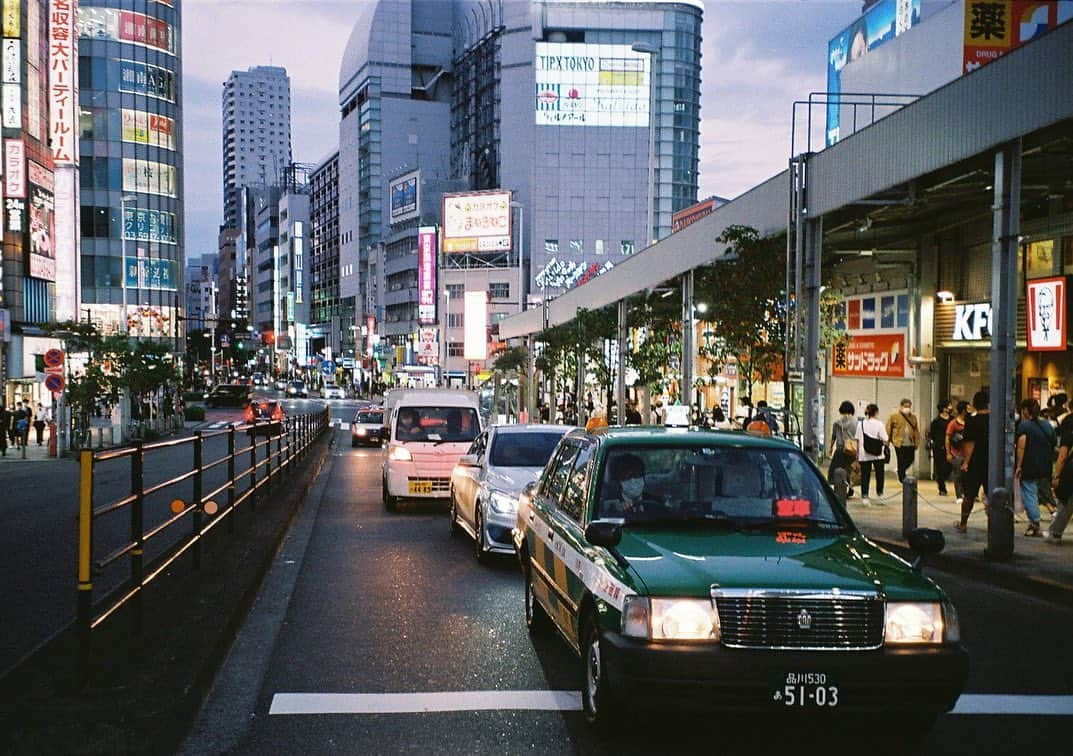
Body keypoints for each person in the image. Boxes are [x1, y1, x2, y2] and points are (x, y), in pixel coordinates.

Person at [1015, 398, 1055, 538]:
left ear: (1025, 410)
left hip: (1029, 465)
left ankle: (1035, 523)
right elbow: (1053, 443)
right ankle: (1047, 517)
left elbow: (1021, 446)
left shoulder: (1024, 426)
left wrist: (1019, 465)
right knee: (1040, 491)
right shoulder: (1047, 425)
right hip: (1045, 465)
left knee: (1029, 492)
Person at [955, 390, 990, 534]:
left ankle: (963, 523)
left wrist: (966, 462)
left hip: (976, 461)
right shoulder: (995, 418)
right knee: (993, 496)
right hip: (992, 462)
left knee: (969, 495)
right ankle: (994, 524)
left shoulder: (972, 420)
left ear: (975, 404)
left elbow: (970, 443)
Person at [855, 403, 889, 505]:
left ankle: (865, 496)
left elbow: (857, 440)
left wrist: (857, 454)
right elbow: (885, 439)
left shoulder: (860, 424)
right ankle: (880, 494)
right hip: (877, 454)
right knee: (879, 474)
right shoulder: (879, 424)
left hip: (863, 454)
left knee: (865, 475)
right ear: (876, 412)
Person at [828, 400, 858, 497]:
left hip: (841, 449)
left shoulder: (837, 423)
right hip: (852, 450)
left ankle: (840, 489)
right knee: (849, 469)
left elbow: (834, 436)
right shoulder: (856, 422)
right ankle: (851, 487)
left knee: (837, 469)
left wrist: (831, 447)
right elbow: (859, 437)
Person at [886, 398, 920, 483]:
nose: (907, 408)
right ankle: (902, 477)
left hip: (910, 442)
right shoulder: (894, 416)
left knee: (910, 459)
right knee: (901, 459)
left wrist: (917, 442)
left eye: (909, 406)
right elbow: (888, 428)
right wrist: (887, 441)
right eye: (905, 406)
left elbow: (916, 430)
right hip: (898, 442)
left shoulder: (913, 417)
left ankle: (900, 470)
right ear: (901, 406)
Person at [946, 401, 969, 502]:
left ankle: (966, 493)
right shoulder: (953, 423)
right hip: (957, 453)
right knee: (958, 474)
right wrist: (948, 453)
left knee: (967, 475)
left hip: (968, 453)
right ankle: (959, 495)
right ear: (963, 411)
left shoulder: (970, 422)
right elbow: (947, 438)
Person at [929, 401, 954, 496]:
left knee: (949, 466)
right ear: (944, 409)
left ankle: (941, 478)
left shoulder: (952, 420)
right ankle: (942, 488)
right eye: (949, 406)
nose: (950, 408)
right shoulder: (936, 421)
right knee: (939, 467)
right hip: (939, 446)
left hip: (951, 446)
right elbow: (933, 434)